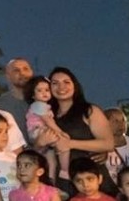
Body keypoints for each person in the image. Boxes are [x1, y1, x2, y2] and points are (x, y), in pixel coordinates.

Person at [40, 67, 115, 196]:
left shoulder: (89, 110)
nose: (61, 87)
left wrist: (70, 143)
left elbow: (108, 143)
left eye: (66, 82)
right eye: (55, 83)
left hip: (91, 180)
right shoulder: (47, 115)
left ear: (75, 85)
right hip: (63, 182)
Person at [22, 76, 69, 181]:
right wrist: (60, 132)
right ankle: (65, 170)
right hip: (38, 130)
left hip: (40, 132)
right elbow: (48, 121)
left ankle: (50, 181)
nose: (44, 93)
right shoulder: (38, 105)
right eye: (39, 90)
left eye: (47, 90)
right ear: (33, 95)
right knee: (63, 143)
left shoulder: (44, 106)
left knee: (51, 160)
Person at [0, 59, 33, 142]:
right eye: (16, 70)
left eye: (26, 69)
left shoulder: (45, 99)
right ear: (8, 76)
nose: (22, 73)